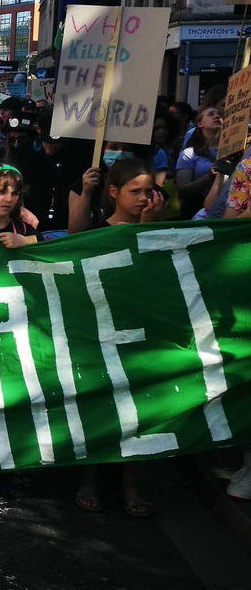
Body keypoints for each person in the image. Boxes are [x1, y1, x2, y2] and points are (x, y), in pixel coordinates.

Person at [72, 157, 162, 517]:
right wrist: (84, 191)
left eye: (149, 191)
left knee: (137, 406)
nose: (143, 198)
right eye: (134, 191)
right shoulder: (96, 227)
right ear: (114, 192)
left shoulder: (157, 226)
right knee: (98, 402)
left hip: (140, 329)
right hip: (99, 331)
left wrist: (149, 227)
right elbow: (73, 246)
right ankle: (89, 477)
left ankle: (130, 481)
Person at [175, 105, 222, 218]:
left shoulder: (234, 151)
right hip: (197, 209)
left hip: (225, 205)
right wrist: (208, 177)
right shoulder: (189, 153)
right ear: (200, 124)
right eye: (211, 114)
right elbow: (182, 190)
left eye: (219, 114)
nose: (217, 116)